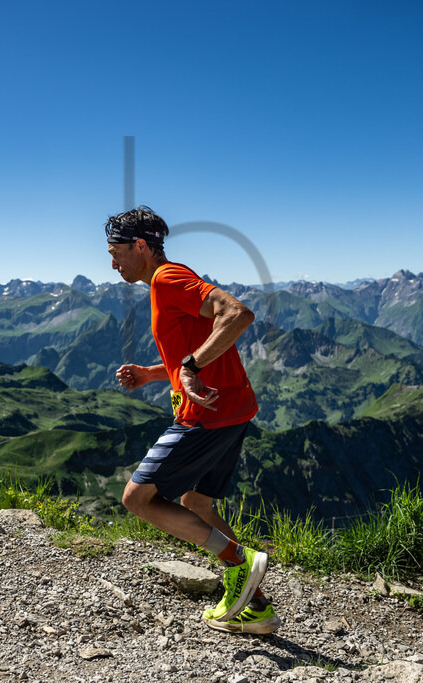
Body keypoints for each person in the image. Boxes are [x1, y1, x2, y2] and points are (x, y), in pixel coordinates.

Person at [107, 206, 279, 635]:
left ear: (140, 247)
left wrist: (191, 366)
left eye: (116, 252)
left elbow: (237, 314)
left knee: (137, 499)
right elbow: (191, 351)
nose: (113, 263)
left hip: (203, 416)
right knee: (196, 504)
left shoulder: (167, 279)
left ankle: (238, 561)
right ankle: (254, 606)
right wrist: (154, 373)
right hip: (232, 409)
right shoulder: (166, 284)